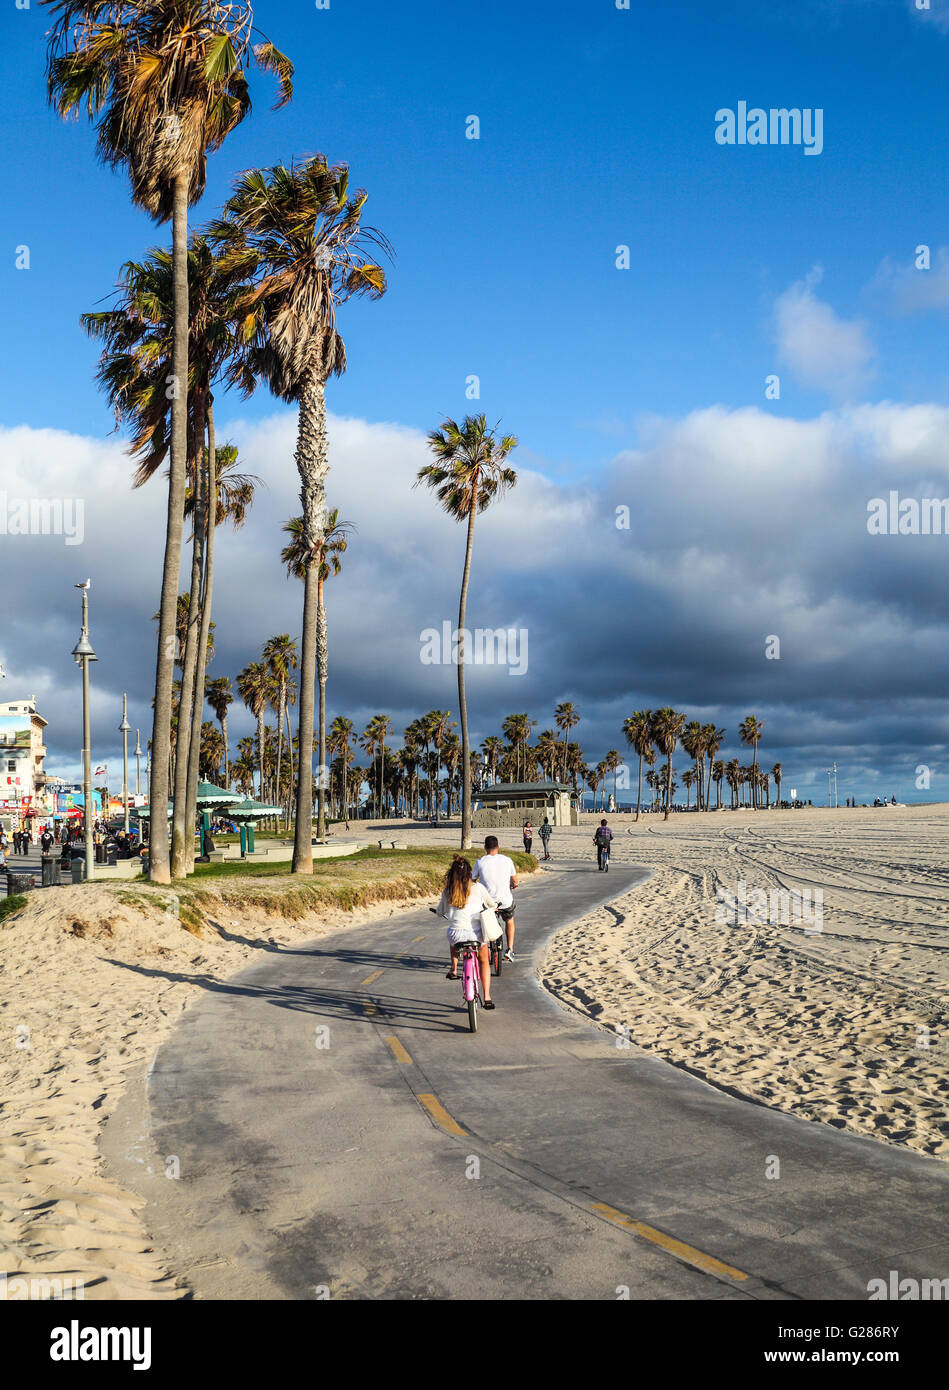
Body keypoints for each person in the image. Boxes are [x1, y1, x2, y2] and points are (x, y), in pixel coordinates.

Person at [436, 855, 498, 1009]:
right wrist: (493, 906)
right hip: (477, 934)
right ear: (469, 873)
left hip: (456, 935)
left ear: (452, 873)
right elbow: (491, 904)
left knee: (453, 935)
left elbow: (440, 911)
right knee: (484, 960)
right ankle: (488, 997)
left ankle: (454, 968)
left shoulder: (448, 890)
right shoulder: (478, 888)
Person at [472, 835, 519, 962]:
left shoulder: (480, 862)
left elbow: (472, 880)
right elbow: (515, 881)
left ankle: (486, 949)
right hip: (505, 901)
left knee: (483, 922)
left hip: (487, 902)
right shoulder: (507, 860)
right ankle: (510, 949)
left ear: (485, 848)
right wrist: (513, 885)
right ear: (498, 846)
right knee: (509, 921)